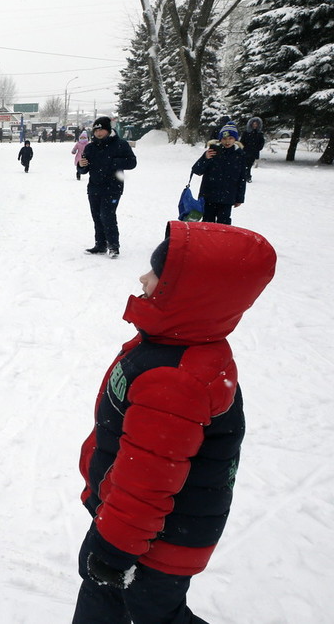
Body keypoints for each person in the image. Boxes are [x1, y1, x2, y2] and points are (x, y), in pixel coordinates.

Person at [72, 220, 277, 624]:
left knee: (131, 610)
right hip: (146, 529)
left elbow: (146, 479)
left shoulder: (176, 377)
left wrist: (113, 551)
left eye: (156, 275)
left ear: (186, 296)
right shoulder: (181, 342)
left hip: (150, 541)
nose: (143, 278)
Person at [78, 117, 137, 258]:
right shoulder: (90, 147)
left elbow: (132, 162)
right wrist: (81, 165)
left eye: (101, 129)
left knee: (107, 215)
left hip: (113, 187)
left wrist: (113, 162)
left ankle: (113, 246)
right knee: (97, 217)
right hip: (94, 187)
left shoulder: (120, 145)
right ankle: (100, 245)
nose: (98, 133)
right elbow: (83, 170)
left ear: (108, 130)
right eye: (96, 130)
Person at [191, 122, 247, 225]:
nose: (227, 141)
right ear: (220, 139)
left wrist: (240, 198)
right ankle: (206, 241)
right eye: (224, 138)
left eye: (230, 138)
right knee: (207, 223)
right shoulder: (212, 152)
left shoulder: (240, 155)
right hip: (209, 196)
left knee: (224, 224)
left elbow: (242, 178)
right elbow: (197, 170)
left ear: (235, 139)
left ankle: (221, 241)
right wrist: (205, 158)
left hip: (227, 198)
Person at [241, 117, 264, 183]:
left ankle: (247, 176)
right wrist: (243, 148)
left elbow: (261, 142)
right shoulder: (246, 132)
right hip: (246, 151)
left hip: (254, 152)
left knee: (249, 165)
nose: (255, 125)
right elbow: (242, 141)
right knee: (245, 165)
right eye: (253, 124)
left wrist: (258, 148)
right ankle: (246, 176)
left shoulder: (259, 133)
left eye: (256, 124)